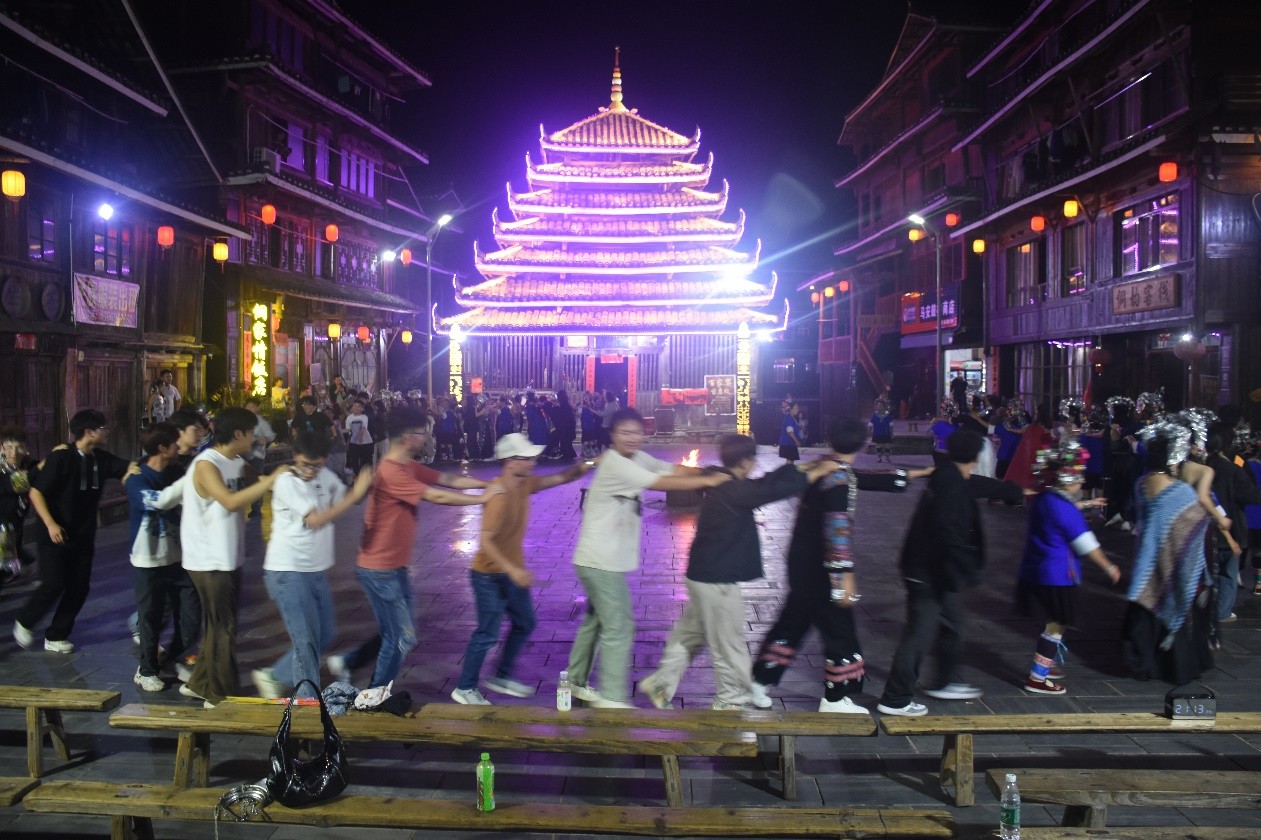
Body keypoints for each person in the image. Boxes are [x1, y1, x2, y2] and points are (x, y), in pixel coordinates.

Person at [639, 435, 838, 711]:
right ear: (746, 461)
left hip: (702, 575)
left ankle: (660, 684)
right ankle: (730, 699)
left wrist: (809, 466)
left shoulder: (723, 479)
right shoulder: (733, 489)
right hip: (716, 580)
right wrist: (814, 472)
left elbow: (764, 483)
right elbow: (771, 490)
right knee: (729, 642)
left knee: (691, 635)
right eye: (752, 460)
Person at [751, 420, 929, 713]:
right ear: (864, 442)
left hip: (802, 562)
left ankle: (759, 680)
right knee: (839, 628)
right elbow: (837, 528)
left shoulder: (825, 467)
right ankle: (835, 698)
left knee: (794, 622)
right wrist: (843, 574)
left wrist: (917, 473)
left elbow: (862, 477)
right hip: (823, 567)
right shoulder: (837, 478)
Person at [566, 408, 729, 707]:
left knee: (596, 622)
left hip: (599, 558)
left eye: (637, 432)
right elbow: (660, 483)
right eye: (625, 432)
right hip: (600, 561)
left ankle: (575, 683)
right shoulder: (615, 464)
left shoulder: (638, 458)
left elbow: (671, 470)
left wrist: (705, 472)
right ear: (613, 435)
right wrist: (710, 482)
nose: (632, 438)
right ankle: (612, 698)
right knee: (620, 625)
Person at [328, 406, 498, 691]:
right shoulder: (392, 472)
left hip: (393, 566)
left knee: (395, 631)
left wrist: (486, 484)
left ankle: (349, 662)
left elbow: (446, 479)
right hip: (379, 570)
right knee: (401, 637)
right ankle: (375, 695)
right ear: (407, 437)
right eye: (423, 433)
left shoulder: (407, 465)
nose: (427, 437)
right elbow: (437, 496)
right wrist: (481, 500)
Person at [876, 429, 1024, 716]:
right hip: (928, 572)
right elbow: (948, 534)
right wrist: (966, 568)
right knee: (918, 635)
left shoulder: (950, 475)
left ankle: (942, 683)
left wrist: (1016, 491)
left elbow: (979, 485)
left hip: (935, 570)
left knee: (953, 624)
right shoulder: (952, 485)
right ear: (977, 456)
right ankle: (895, 698)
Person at [451, 434, 594, 705]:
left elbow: (562, 477)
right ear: (510, 461)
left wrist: (590, 463)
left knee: (525, 622)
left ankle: (502, 676)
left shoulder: (524, 483)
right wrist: (512, 570)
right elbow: (486, 541)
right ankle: (465, 688)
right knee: (487, 633)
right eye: (527, 458)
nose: (533, 462)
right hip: (488, 576)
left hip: (511, 572)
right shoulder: (498, 495)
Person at [178, 407, 289, 708]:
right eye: (252, 433)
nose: (255, 438)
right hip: (208, 558)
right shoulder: (206, 464)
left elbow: (260, 481)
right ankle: (220, 695)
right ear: (237, 434)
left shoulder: (236, 462)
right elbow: (228, 501)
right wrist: (269, 481)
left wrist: (287, 476)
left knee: (219, 623)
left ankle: (200, 682)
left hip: (228, 554)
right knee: (223, 626)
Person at [252, 432, 372, 700]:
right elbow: (315, 519)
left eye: (316, 465)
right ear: (295, 456)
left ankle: (274, 676)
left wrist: (361, 486)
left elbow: (349, 497)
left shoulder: (325, 476)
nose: (310, 471)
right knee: (305, 640)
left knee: (325, 634)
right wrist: (354, 495)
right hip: (288, 570)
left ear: (325, 460)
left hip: (315, 570)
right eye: (305, 464)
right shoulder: (287, 481)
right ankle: (306, 701)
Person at [14, 410, 133, 653]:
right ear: (88, 432)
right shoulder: (61, 457)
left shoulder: (100, 458)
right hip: (53, 533)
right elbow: (36, 492)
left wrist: (134, 476)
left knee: (80, 586)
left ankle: (56, 635)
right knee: (54, 582)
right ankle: (25, 621)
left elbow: (128, 467)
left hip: (83, 535)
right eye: (103, 428)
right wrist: (51, 524)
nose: (107, 432)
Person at [1015, 439, 1119, 695]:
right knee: (1056, 624)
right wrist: (1109, 567)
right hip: (1058, 575)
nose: (1081, 482)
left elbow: (1061, 510)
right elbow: (1086, 544)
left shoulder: (1044, 498)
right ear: (1069, 479)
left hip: (1036, 569)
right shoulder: (1064, 509)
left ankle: (1045, 664)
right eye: (1079, 477)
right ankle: (1038, 677)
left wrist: (1087, 505)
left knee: (1051, 621)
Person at [1121, 424, 1215, 684]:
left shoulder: (1141, 484)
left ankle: (1144, 665)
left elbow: (1146, 521)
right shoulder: (1181, 491)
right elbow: (1197, 522)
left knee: (1146, 611)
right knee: (1176, 608)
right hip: (1174, 560)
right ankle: (1174, 668)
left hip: (1147, 559)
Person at [126, 423, 199, 693]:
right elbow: (157, 501)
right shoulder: (136, 478)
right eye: (174, 444)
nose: (179, 447)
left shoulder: (177, 471)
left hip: (179, 557)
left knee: (191, 615)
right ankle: (146, 670)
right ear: (162, 448)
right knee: (150, 617)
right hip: (148, 560)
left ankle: (177, 658)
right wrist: (189, 483)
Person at [1205, 423, 1261, 625]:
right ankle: (1222, 611)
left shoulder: (1200, 466)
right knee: (1228, 572)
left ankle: (1203, 609)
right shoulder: (1233, 469)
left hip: (1202, 530)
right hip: (1229, 529)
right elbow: (1250, 494)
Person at [0, 425, 37, 573]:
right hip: (3, 524)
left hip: (16, 519)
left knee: (15, 544)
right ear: (2, 448)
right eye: (9, 448)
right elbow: (16, 483)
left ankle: (19, 559)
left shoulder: (29, 465)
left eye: (19, 447)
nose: (14, 453)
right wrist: (40, 469)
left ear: (26, 449)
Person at [1004, 403, 1055, 490]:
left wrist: (1010, 429)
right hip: (1041, 451)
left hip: (1032, 450)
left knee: (1028, 470)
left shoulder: (1035, 425)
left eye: (1036, 410)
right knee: (1038, 471)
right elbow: (1049, 437)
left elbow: (1024, 431)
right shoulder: (1047, 424)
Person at [344, 399, 375, 478]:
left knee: (366, 461)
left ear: (362, 408)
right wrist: (339, 430)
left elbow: (363, 429)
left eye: (358, 406)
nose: (356, 408)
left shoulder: (364, 417)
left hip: (366, 442)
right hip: (354, 442)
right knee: (354, 460)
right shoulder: (349, 417)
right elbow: (348, 429)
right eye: (354, 406)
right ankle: (358, 477)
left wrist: (360, 441)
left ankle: (366, 477)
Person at [869, 399, 894, 463]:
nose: (879, 407)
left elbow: (891, 425)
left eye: (881, 405)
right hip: (877, 433)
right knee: (878, 446)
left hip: (886, 433)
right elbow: (871, 424)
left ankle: (887, 457)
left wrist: (891, 433)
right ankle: (879, 458)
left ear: (884, 406)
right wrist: (869, 431)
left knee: (887, 446)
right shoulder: (874, 415)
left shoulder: (888, 415)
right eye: (878, 405)